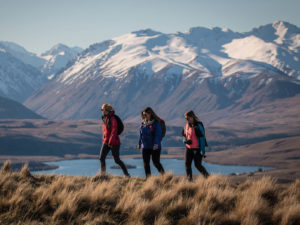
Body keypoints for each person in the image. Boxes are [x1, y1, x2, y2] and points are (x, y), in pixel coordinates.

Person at [99, 103, 130, 177]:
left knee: (117, 160)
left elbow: (114, 130)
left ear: (106, 110)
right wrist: (105, 141)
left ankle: (127, 174)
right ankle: (103, 175)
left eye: (102, 109)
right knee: (101, 158)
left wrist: (110, 142)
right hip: (106, 142)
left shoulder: (112, 118)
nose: (101, 111)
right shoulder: (105, 118)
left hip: (114, 142)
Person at [182, 110, 209, 181]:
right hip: (189, 148)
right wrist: (185, 141)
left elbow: (202, 139)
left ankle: (208, 178)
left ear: (192, 117)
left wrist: (202, 151)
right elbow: (184, 136)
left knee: (197, 165)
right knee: (187, 164)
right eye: (185, 118)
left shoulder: (199, 125)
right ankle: (189, 181)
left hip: (197, 149)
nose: (186, 120)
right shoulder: (186, 126)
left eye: (187, 118)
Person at [138, 107, 165, 178]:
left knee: (155, 162)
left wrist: (156, 144)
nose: (144, 116)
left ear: (150, 114)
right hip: (145, 146)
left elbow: (158, 135)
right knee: (146, 163)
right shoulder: (143, 124)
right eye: (143, 115)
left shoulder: (156, 123)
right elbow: (141, 134)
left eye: (146, 114)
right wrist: (139, 143)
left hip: (154, 146)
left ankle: (165, 176)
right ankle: (148, 179)